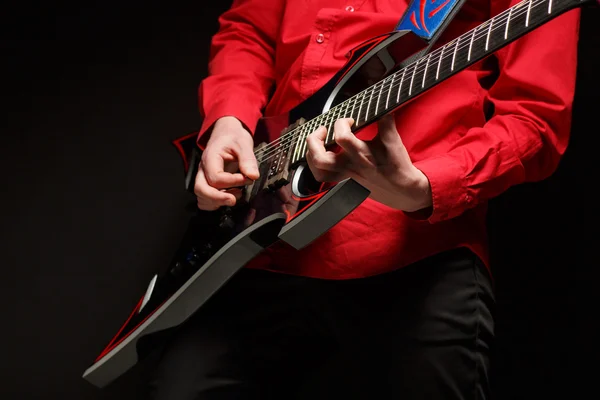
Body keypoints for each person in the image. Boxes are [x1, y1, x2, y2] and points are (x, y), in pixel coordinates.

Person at [149, 0, 580, 399]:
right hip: (260, 239)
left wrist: (426, 185)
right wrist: (229, 118)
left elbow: (534, 118)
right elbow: (249, 29)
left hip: (415, 257)